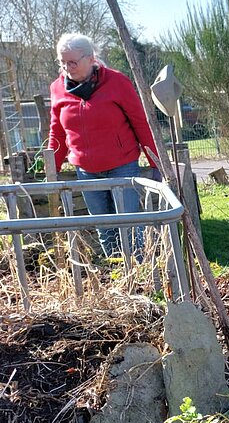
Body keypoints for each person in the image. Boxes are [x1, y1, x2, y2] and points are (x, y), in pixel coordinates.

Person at [48, 33, 162, 257]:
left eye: (72, 62)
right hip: (86, 169)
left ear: (90, 59)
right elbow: (57, 131)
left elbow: (141, 123)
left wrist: (155, 161)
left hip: (122, 164)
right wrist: (53, 167)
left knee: (128, 222)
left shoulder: (117, 82)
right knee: (103, 225)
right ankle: (116, 271)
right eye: (62, 62)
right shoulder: (57, 88)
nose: (66, 67)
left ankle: (138, 269)